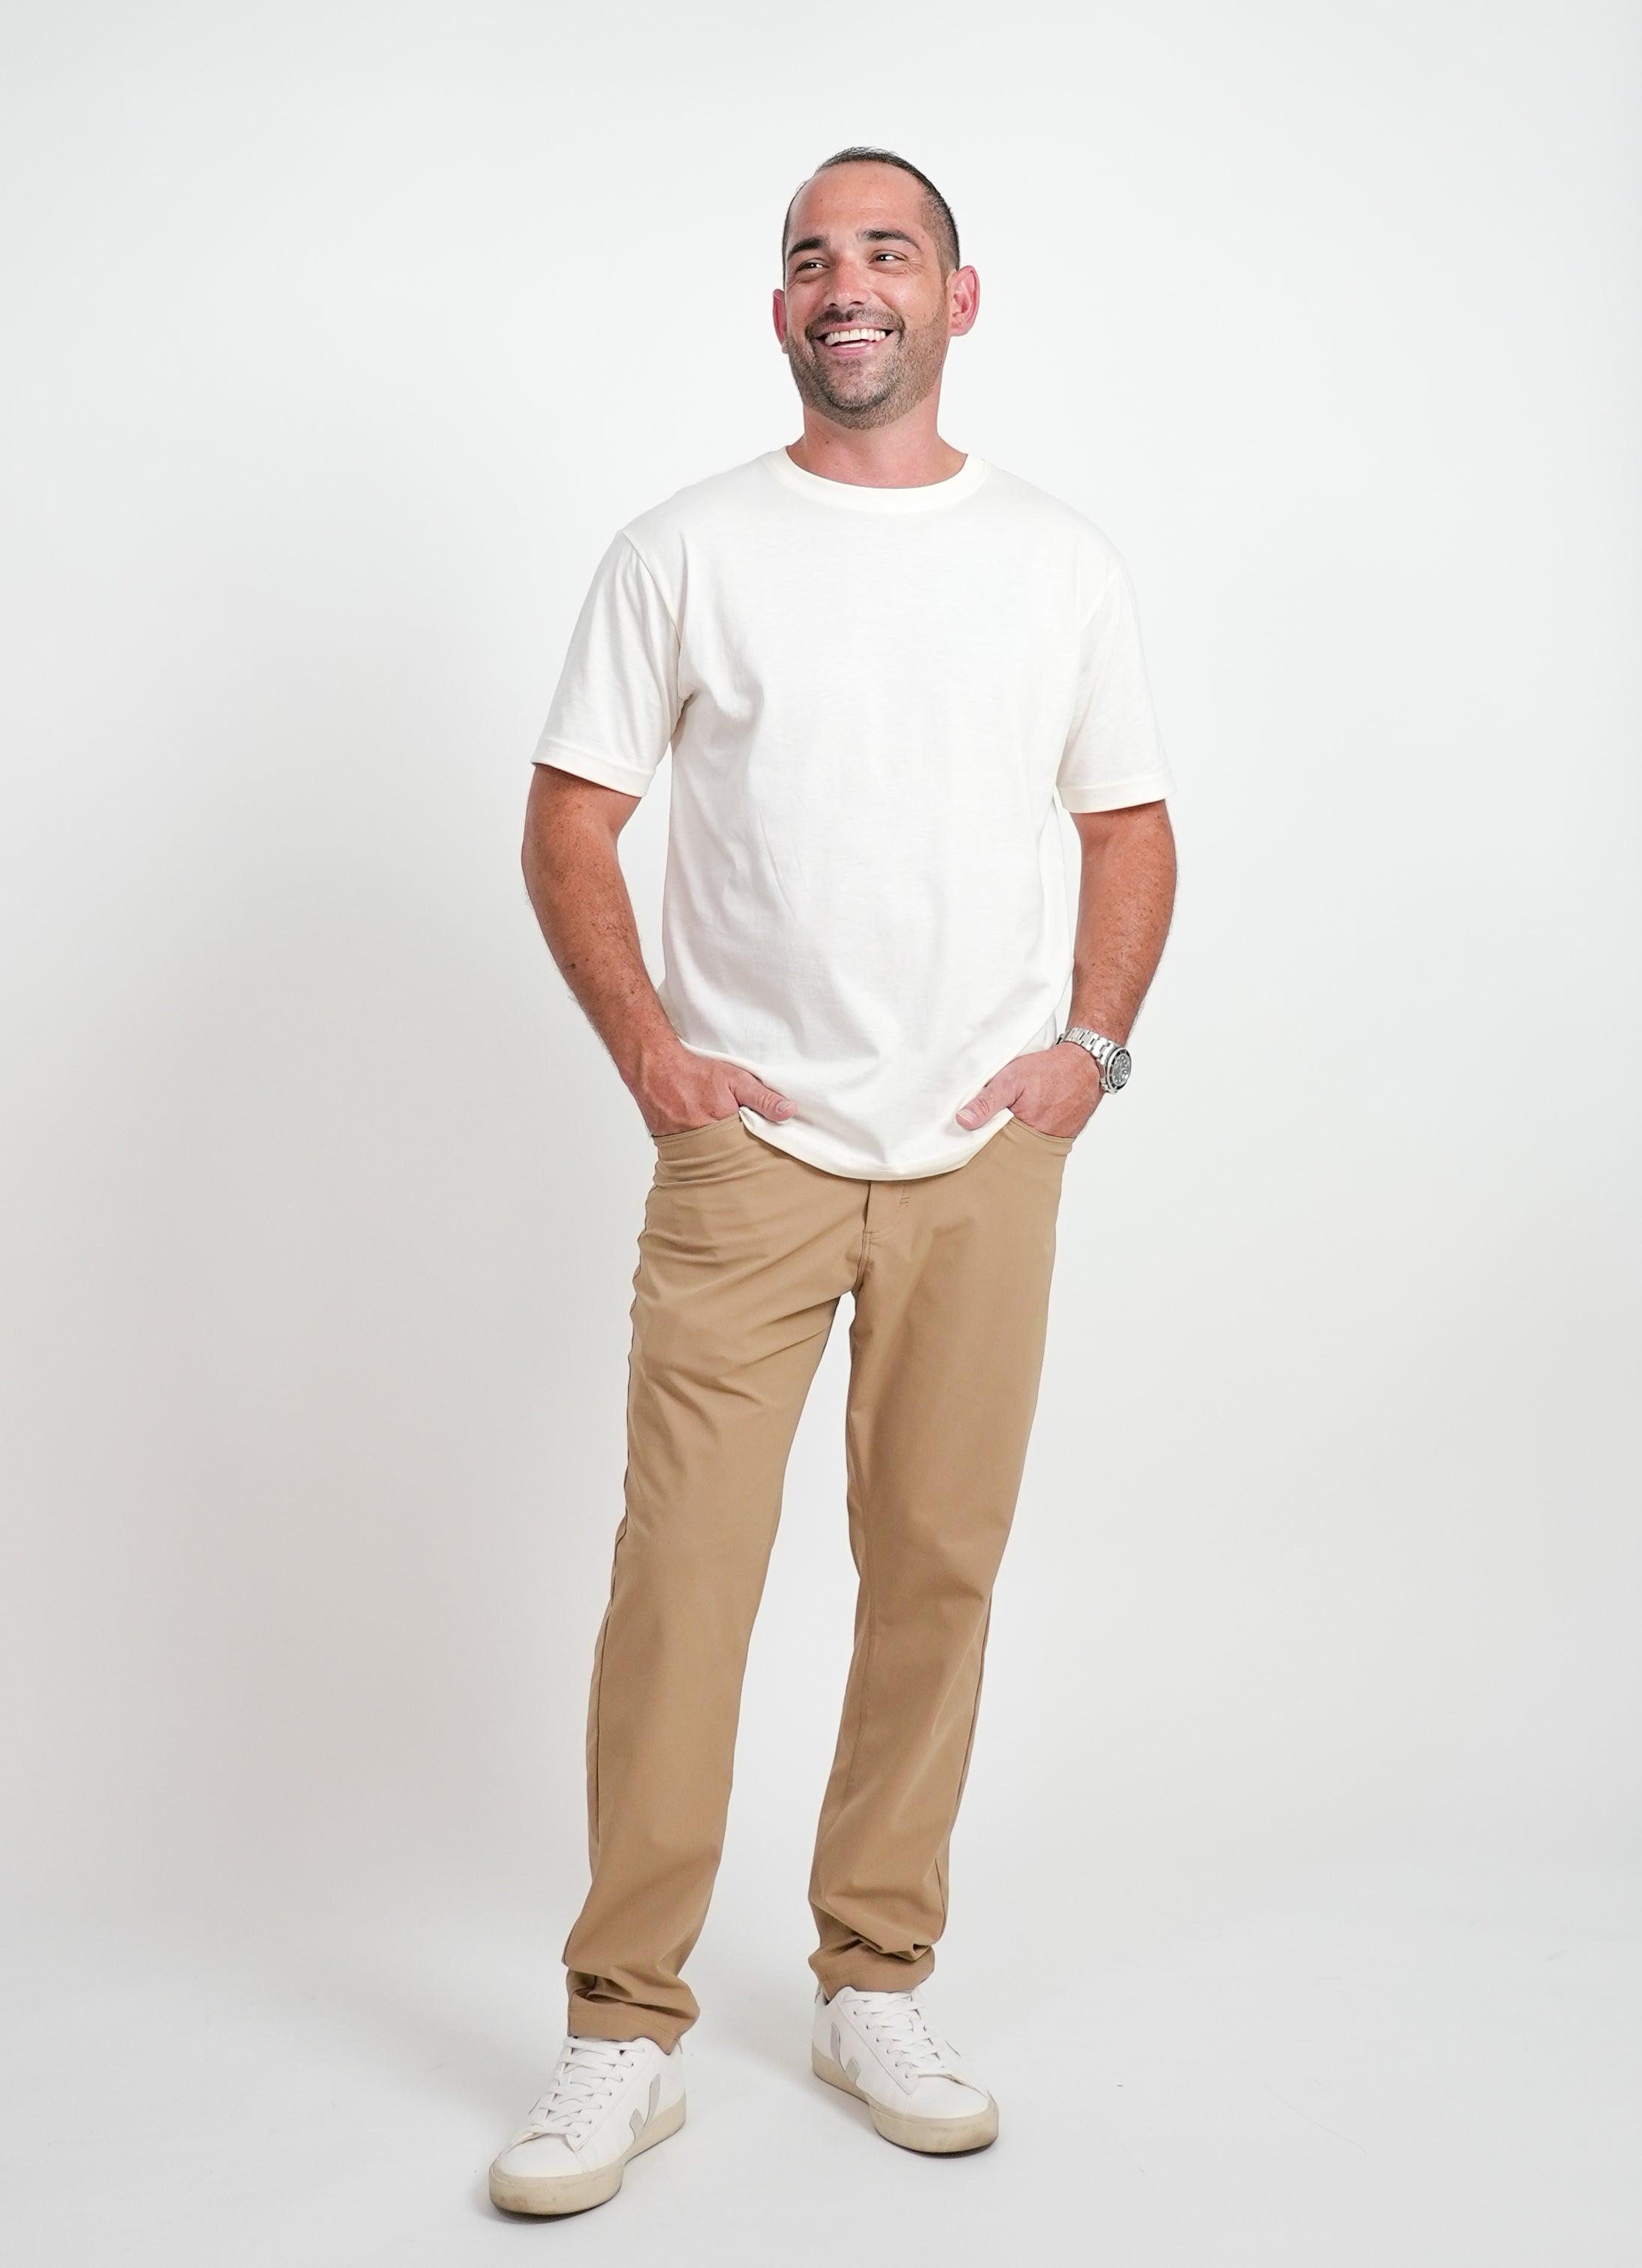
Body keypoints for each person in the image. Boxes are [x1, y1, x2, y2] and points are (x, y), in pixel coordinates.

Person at [489, 145, 1177, 2217]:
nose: (844, 283)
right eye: (809, 258)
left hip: (981, 1152)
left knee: (935, 1572)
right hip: (745, 1157)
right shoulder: (684, 548)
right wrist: (654, 1061)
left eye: (887, 252)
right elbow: (566, 818)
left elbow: (1129, 826)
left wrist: (1090, 1049)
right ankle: (624, 2030)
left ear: (960, 300)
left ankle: (874, 1971)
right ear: (777, 311)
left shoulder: (1055, 558)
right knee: (682, 1579)